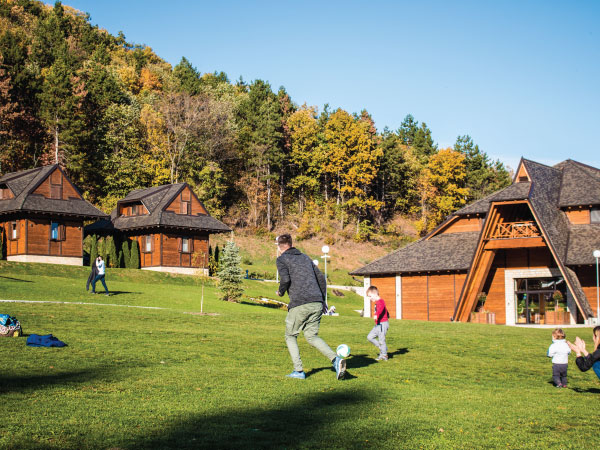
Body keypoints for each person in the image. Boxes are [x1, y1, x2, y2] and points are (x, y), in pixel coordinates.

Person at [275, 234, 345, 380]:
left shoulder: (282, 259)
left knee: (290, 335)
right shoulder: (305, 257)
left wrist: (281, 291)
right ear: (291, 243)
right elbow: (321, 278)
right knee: (311, 336)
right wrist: (323, 300)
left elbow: (285, 279)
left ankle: (298, 371)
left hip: (300, 302)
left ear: (279, 246)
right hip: (317, 302)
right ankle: (336, 360)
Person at [366, 285, 390, 361]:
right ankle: (382, 348)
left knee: (381, 340)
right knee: (370, 337)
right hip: (378, 325)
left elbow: (380, 309)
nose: (370, 298)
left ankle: (384, 355)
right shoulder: (377, 302)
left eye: (370, 296)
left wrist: (376, 315)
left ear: (375, 294)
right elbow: (384, 310)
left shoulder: (381, 301)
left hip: (383, 324)